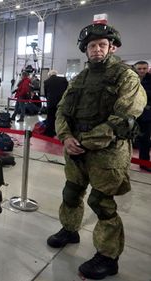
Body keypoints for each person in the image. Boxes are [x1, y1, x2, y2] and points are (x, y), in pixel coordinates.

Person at [47, 23, 146, 280]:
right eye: (92, 45)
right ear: (85, 49)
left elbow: (123, 118)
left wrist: (85, 141)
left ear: (112, 47)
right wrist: (66, 137)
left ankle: (108, 256)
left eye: (102, 44)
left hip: (108, 153)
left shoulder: (126, 76)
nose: (97, 49)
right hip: (76, 149)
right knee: (71, 193)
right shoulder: (79, 78)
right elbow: (61, 111)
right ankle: (70, 230)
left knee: (101, 204)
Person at [133, 61, 151, 172]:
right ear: (135, 69)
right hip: (131, 114)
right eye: (139, 68)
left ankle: (144, 163)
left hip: (146, 114)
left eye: (144, 68)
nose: (142, 71)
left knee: (145, 140)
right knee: (126, 139)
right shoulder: (130, 78)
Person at [43, 70, 69, 137]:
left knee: (50, 117)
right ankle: (60, 133)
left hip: (51, 102)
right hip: (61, 102)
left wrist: (48, 99)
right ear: (56, 74)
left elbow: (46, 93)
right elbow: (67, 90)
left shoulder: (46, 82)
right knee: (60, 118)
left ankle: (49, 133)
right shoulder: (63, 80)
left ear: (49, 75)